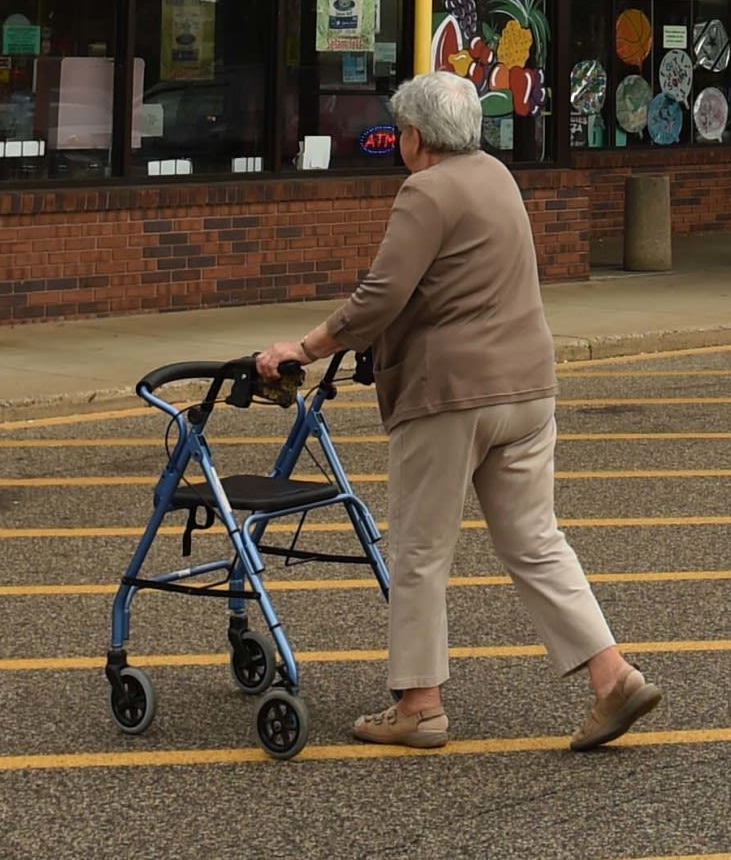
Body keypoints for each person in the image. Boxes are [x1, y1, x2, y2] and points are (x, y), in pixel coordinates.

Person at [257, 68, 660, 752]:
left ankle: (419, 704)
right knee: (536, 541)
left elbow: (382, 294)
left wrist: (305, 345)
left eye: (401, 134)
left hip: (452, 394)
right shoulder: (498, 177)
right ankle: (612, 676)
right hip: (528, 387)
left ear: (415, 137)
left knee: (419, 549)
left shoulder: (426, 191)